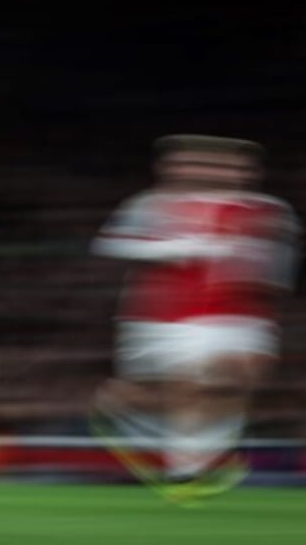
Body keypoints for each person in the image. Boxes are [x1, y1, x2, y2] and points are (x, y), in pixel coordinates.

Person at [89, 134, 300, 506]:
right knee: (195, 383)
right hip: (171, 315)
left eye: (225, 165)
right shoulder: (154, 205)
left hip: (246, 315)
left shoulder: (269, 210)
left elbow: (280, 263)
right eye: (195, 163)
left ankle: (184, 463)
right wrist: (174, 248)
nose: (209, 171)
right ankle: (184, 465)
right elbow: (112, 242)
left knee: (234, 383)